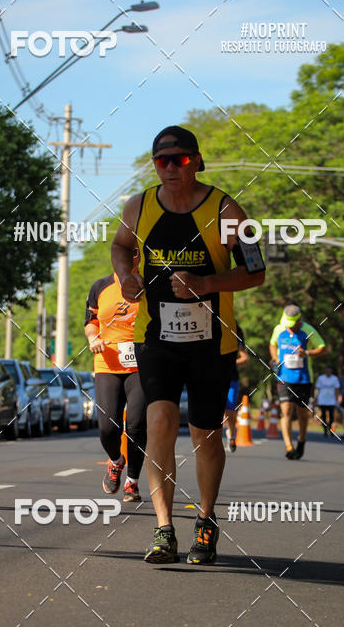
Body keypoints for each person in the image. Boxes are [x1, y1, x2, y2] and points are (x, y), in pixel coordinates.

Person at [111, 125, 265, 564]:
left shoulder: (227, 210)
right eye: (162, 161)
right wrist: (126, 276)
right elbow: (121, 245)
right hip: (155, 337)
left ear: (196, 161)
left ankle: (206, 520)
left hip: (211, 342)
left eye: (179, 159)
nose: (170, 168)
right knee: (159, 421)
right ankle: (163, 529)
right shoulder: (139, 206)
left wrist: (207, 283)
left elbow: (256, 271)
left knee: (205, 434)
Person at [84, 250, 147, 501]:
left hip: (141, 366)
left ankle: (132, 481)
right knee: (107, 427)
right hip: (107, 363)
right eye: (123, 252)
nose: (129, 257)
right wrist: (93, 338)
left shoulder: (149, 286)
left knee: (136, 424)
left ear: (140, 257)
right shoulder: (100, 287)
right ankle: (116, 460)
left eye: (135, 253)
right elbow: (91, 321)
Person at [269, 304, 326, 459]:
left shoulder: (308, 330)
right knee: (286, 410)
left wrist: (307, 353)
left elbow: (322, 348)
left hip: (303, 378)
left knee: (302, 414)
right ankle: (288, 446)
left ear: (299, 320)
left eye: (292, 324)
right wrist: (275, 358)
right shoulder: (279, 329)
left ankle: (301, 440)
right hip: (284, 376)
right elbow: (272, 344)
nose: (289, 327)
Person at [223, 323, 249, 453]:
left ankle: (231, 435)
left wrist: (230, 362)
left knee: (230, 411)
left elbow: (244, 357)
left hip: (231, 377)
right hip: (212, 377)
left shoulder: (236, 330)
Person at [314, 365, 340, 437]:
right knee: (324, 416)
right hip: (322, 399)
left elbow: (337, 389)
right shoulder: (321, 378)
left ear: (331, 371)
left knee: (332, 416)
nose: (328, 371)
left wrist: (337, 399)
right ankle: (325, 430)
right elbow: (318, 389)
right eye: (327, 370)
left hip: (331, 400)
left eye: (329, 370)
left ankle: (331, 430)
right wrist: (316, 398)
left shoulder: (335, 378)